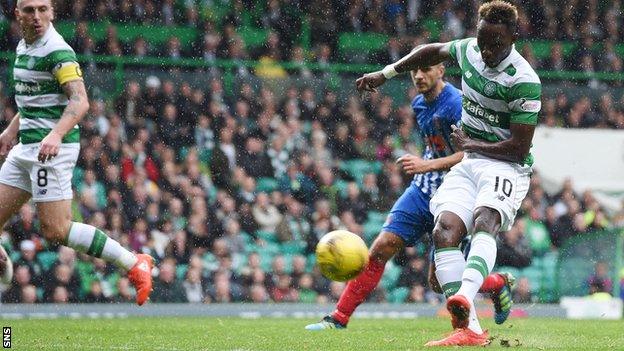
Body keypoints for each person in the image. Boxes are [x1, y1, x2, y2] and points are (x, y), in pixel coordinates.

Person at [356, 1, 541, 346]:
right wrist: (386, 73)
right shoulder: (470, 50)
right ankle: (469, 330)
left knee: (486, 220)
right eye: (482, 41)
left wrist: (472, 143)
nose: (486, 51)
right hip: (470, 160)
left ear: (515, 35)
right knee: (444, 232)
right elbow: (430, 50)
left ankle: (466, 297)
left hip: (506, 165)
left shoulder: (525, 81)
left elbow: (518, 148)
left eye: (495, 44)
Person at [307, 58, 513, 331]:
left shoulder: (457, 104)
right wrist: (427, 166)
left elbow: (471, 152)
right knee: (381, 247)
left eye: (425, 68)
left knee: (438, 283)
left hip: (456, 196)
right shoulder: (419, 103)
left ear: (441, 71)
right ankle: (338, 318)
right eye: (415, 70)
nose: (418, 75)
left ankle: (496, 284)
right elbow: (437, 146)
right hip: (423, 190)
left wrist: (427, 164)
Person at [0, 0, 152, 305]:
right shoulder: (23, 47)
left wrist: (55, 134)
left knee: (55, 230)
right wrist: (10, 131)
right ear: (18, 15)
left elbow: (80, 101)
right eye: (29, 10)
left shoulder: (57, 50)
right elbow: (33, 98)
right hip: (27, 145)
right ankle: (4, 270)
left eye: (43, 9)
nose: (37, 16)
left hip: (52, 150)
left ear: (52, 12)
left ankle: (134, 262)